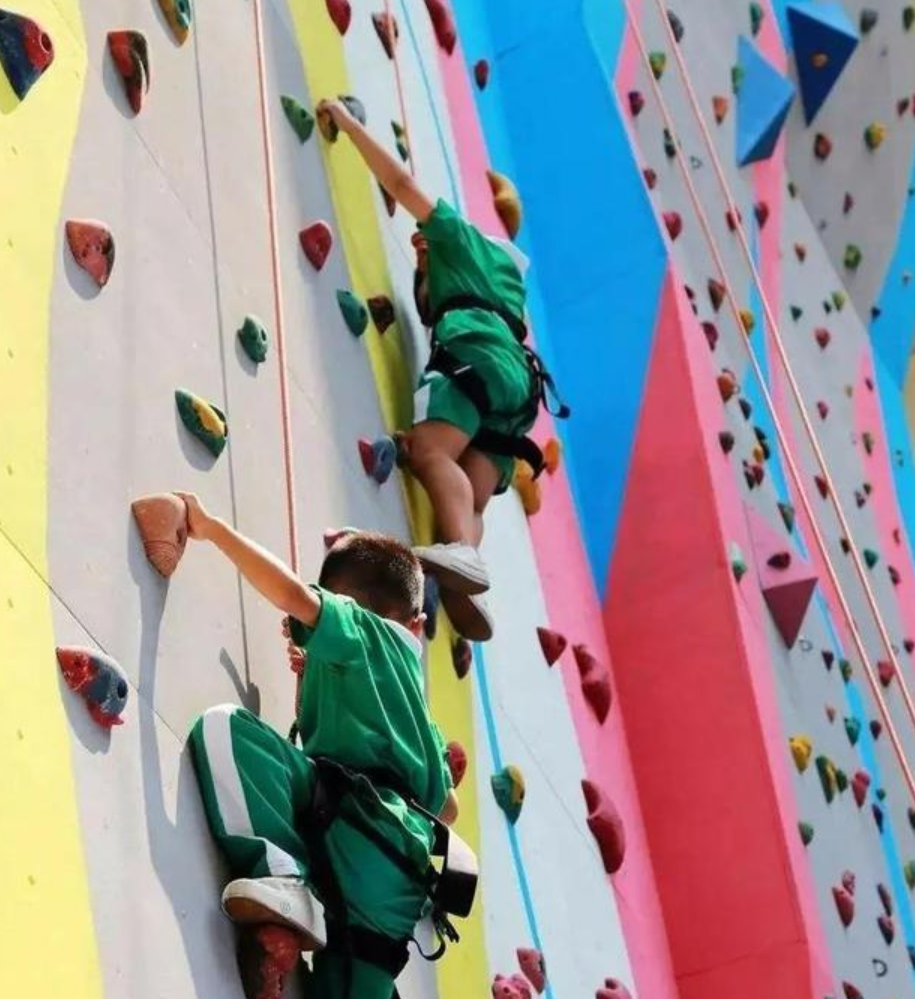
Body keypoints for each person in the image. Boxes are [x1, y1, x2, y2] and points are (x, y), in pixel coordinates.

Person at [178, 493, 464, 999]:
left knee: (227, 730)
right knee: (352, 984)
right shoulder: (417, 711)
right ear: (418, 626)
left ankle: (285, 881)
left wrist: (213, 527)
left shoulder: (363, 630)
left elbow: (291, 595)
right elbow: (447, 808)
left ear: (343, 605)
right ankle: (281, 950)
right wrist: (317, 681)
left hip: (348, 835)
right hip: (395, 892)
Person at [316, 99, 568, 643]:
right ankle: (464, 567)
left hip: (475, 351)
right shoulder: (510, 290)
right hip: (520, 390)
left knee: (431, 451)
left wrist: (347, 118)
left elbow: (402, 182)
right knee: (472, 498)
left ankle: (461, 557)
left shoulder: (460, 240)